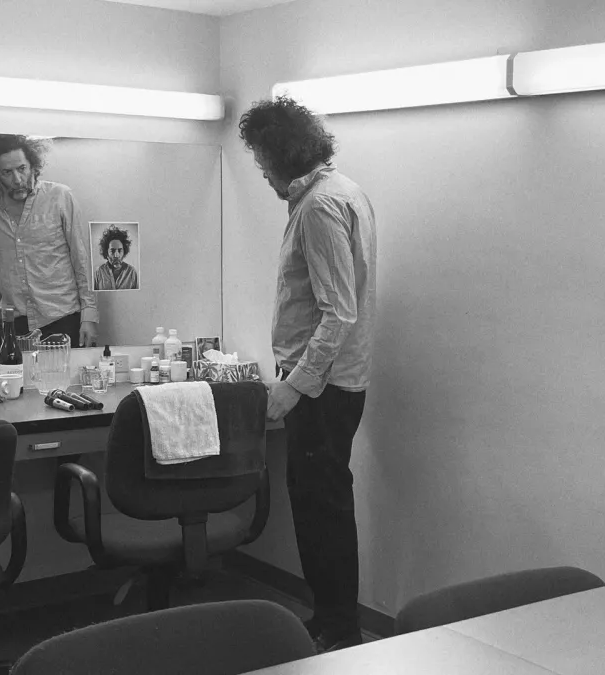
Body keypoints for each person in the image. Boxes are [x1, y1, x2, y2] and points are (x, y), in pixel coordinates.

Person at [239, 96, 377, 654]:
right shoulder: (344, 190)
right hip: (335, 382)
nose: (261, 171)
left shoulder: (319, 206)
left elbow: (338, 311)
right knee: (323, 504)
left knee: (321, 509)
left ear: (280, 154)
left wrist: (292, 387)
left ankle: (338, 628)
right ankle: (331, 620)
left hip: (321, 387)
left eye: (260, 158)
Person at [0, 134, 98, 347]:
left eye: (22, 168)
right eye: (7, 172)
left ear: (33, 166)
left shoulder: (60, 197)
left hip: (63, 318)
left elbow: (81, 260)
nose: (17, 179)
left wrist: (89, 316)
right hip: (15, 324)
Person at [93, 225, 138, 291]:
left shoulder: (132, 272)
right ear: (106, 252)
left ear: (124, 252)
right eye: (112, 251)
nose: (116, 255)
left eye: (120, 250)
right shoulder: (99, 272)